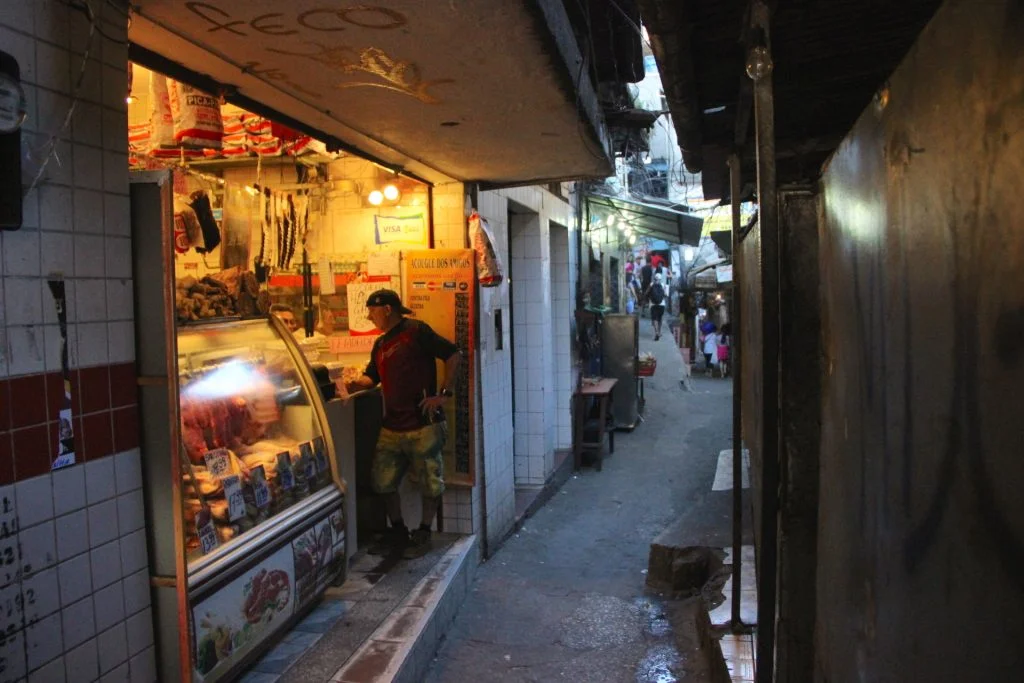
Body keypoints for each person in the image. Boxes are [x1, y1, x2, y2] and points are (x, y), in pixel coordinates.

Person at [344, 289, 461, 559]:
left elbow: (453, 354)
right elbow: (370, 379)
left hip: (423, 424)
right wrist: (347, 386)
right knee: (382, 481)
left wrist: (443, 395)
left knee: (430, 483)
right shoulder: (380, 344)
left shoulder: (416, 331)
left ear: (387, 309)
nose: (369, 317)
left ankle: (423, 532)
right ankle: (397, 530)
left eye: (372, 311)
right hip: (392, 425)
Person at [649, 273, 667, 340]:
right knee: (660, 318)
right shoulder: (662, 285)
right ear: (660, 279)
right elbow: (665, 294)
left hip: (653, 304)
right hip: (661, 304)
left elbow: (647, 292)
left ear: (654, 278)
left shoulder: (651, 284)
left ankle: (656, 332)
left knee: (654, 318)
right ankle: (659, 332)